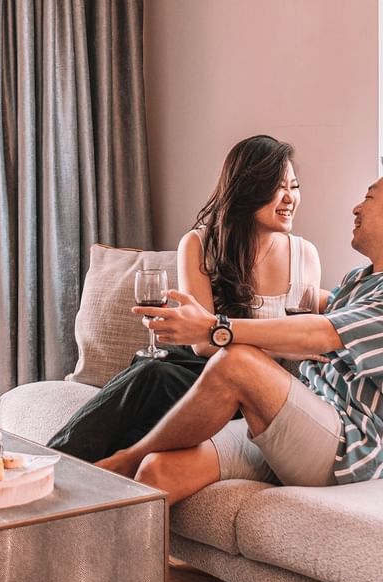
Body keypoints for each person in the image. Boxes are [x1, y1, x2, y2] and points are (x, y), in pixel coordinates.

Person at [97, 156, 383, 506]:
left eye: (369, 197)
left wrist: (214, 327)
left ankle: (125, 458)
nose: (356, 208)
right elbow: (333, 314)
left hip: (353, 448)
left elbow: (322, 334)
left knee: (236, 361)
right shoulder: (363, 280)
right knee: (158, 471)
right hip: (305, 422)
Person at [47, 135, 322, 461]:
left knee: (153, 375)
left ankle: (56, 464)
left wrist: (253, 342)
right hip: (198, 369)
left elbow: (304, 339)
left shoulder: (305, 255)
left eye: (294, 186)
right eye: (279, 187)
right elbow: (201, 346)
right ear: (250, 188)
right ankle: (71, 470)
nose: (290, 198)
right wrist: (278, 342)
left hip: (251, 389)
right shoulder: (200, 245)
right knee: (153, 374)